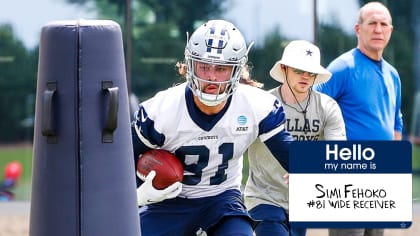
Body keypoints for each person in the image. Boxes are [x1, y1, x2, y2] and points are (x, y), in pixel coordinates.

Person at [132, 19, 294, 236]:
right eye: (204, 66)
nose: (211, 77)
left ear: (237, 70)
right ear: (190, 65)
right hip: (167, 203)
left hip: (222, 201)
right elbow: (119, 159)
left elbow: (291, 154)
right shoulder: (160, 111)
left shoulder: (257, 105)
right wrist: (138, 193)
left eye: (221, 68)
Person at [314, 2, 403, 236]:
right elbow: (312, 110)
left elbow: (395, 124)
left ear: (391, 31)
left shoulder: (393, 75)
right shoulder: (343, 67)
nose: (378, 29)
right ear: (358, 29)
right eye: (372, 23)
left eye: (384, 24)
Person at [244, 40, 346, 236]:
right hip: (264, 197)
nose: (306, 77)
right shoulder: (263, 105)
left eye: (311, 72)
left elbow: (337, 154)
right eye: (299, 70)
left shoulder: (327, 107)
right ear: (284, 69)